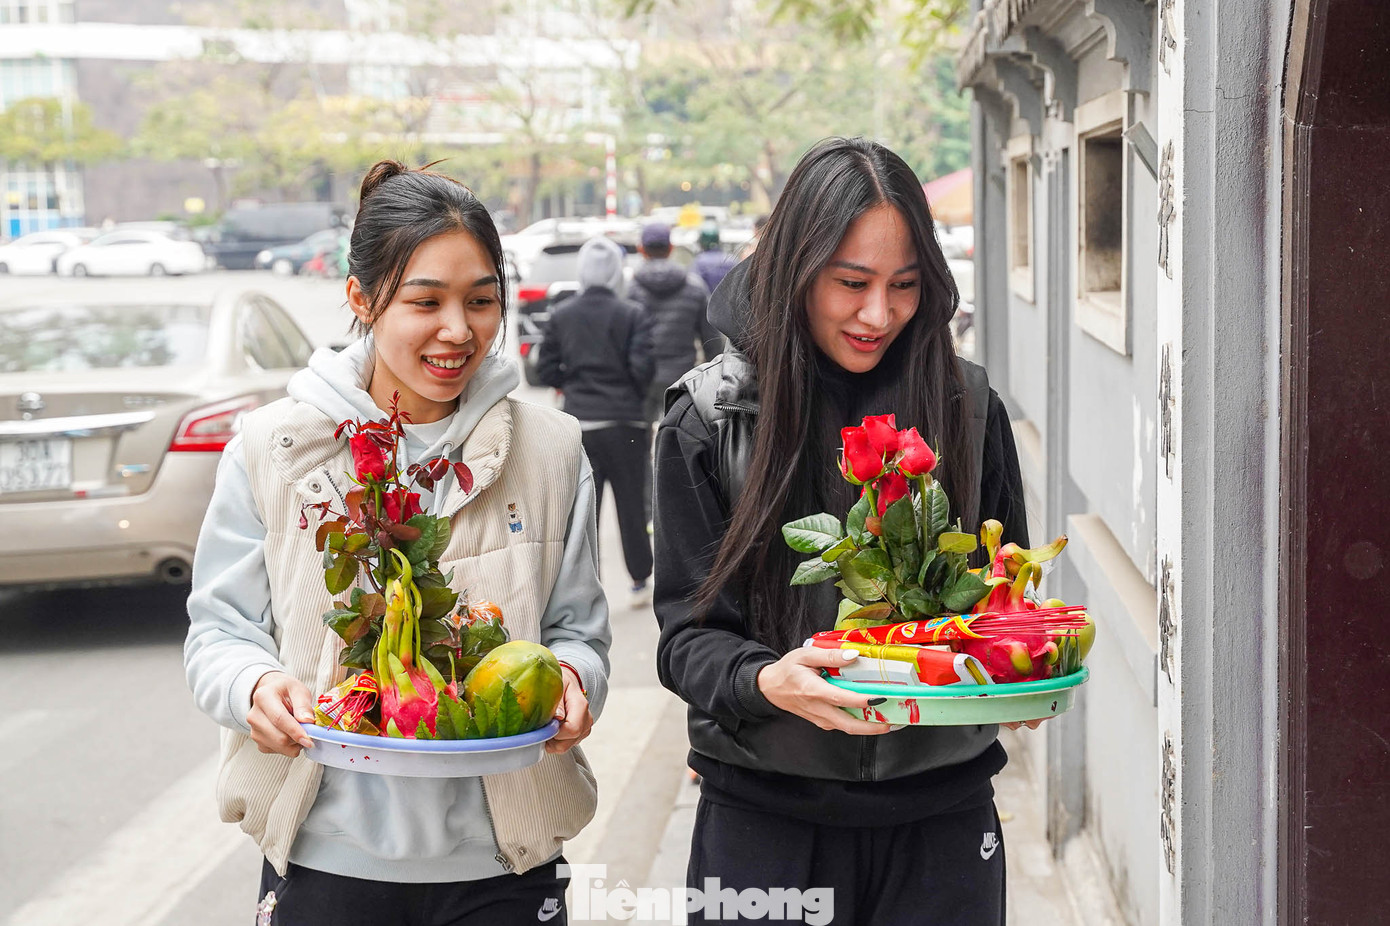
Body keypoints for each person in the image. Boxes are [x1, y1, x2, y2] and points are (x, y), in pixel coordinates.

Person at [184, 160, 611, 925]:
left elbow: (578, 631)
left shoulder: (551, 450)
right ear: (360, 298)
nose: (459, 330)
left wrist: (576, 682)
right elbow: (219, 631)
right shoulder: (272, 447)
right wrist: (252, 685)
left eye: (482, 301)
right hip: (324, 855)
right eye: (427, 301)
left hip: (504, 863)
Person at [652, 137, 1030, 925]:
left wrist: (1018, 669)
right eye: (851, 283)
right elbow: (687, 636)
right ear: (795, 271)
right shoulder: (706, 419)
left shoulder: (969, 407)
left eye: (904, 285)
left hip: (941, 816)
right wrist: (764, 681)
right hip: (766, 819)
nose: (878, 314)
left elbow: (1004, 593)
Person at [537, 236, 656, 607]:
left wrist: (570, 383)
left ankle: (590, 586)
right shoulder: (632, 313)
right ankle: (639, 578)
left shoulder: (562, 314)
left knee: (584, 510)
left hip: (579, 423)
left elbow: (544, 369)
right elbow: (644, 369)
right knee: (631, 504)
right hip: (626, 424)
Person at [628, 221, 721, 424]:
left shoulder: (630, 290)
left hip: (640, 378)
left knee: (637, 441)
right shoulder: (694, 287)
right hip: (683, 378)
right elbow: (711, 340)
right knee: (679, 442)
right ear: (670, 248)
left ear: (642, 249)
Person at [692, 223, 738, 295]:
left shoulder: (699, 262)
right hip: (728, 305)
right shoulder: (731, 260)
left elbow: (694, 288)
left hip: (707, 305)